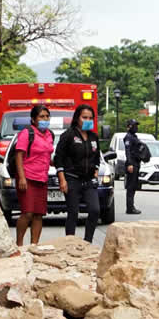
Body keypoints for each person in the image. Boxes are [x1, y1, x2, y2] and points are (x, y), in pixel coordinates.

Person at [55, 104, 102, 243]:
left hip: (88, 181)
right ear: (77, 118)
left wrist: (96, 171)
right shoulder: (68, 135)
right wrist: (62, 180)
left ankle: (88, 242)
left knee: (95, 210)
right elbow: (59, 158)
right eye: (84, 117)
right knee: (73, 213)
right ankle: (70, 243)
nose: (87, 120)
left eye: (90, 118)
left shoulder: (93, 137)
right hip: (71, 179)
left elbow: (97, 156)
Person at [14, 105, 54, 246]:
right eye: (41, 117)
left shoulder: (49, 135)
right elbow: (19, 155)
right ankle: (19, 245)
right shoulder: (27, 133)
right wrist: (22, 177)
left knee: (38, 214)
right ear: (33, 119)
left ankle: (34, 245)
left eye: (47, 116)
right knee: (27, 213)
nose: (45, 119)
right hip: (27, 177)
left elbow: (47, 155)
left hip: (42, 178)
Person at [124, 119, 142, 215]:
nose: (136, 127)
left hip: (136, 163)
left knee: (134, 186)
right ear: (129, 126)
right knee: (131, 187)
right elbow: (128, 151)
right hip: (132, 164)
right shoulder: (128, 137)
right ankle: (130, 208)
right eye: (134, 125)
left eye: (136, 125)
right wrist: (130, 164)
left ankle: (131, 206)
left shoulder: (134, 136)